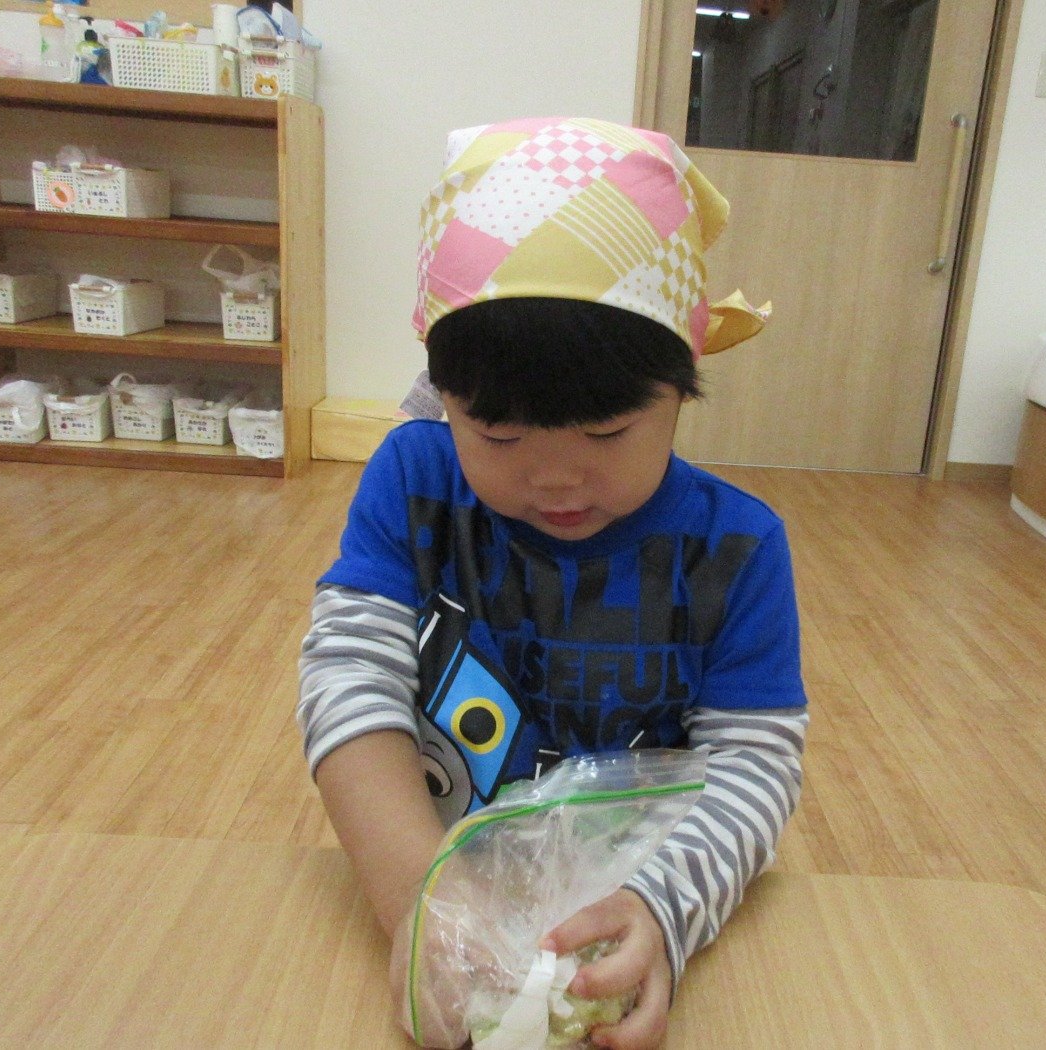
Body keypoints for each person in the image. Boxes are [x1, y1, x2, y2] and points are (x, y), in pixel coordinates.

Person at [298, 116, 809, 1050]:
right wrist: (421, 905)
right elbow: (349, 680)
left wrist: (661, 911)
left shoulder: (737, 547)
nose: (558, 478)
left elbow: (753, 762)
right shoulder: (413, 482)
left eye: (607, 433)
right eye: (498, 435)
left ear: (684, 384)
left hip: (625, 898)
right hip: (440, 865)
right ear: (443, 396)